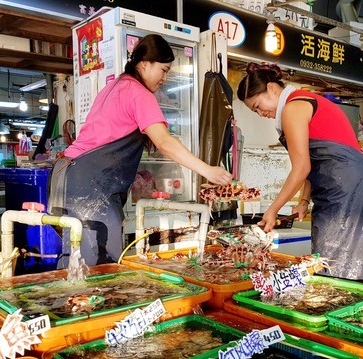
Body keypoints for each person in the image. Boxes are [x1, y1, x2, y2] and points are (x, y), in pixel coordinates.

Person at [49, 34, 232, 267]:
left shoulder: (114, 86)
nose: (165, 78)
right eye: (163, 70)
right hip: (89, 187)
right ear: (144, 63)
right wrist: (207, 170)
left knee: (74, 260)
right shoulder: (139, 93)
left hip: (66, 178)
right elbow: (164, 142)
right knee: (97, 265)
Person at [237, 63, 363, 281]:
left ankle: (337, 303)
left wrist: (273, 210)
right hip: (344, 181)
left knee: (336, 256)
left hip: (343, 184)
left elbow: (302, 167)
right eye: (255, 111)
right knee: (335, 251)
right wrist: (303, 200)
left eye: (258, 106)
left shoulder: (293, 108)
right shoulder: (300, 101)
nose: (261, 113)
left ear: (272, 89)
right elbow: (316, 159)